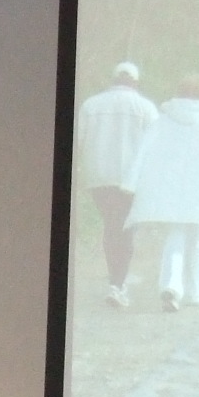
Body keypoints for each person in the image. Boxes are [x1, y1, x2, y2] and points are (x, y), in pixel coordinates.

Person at [124, 74, 199, 310]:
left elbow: (142, 153)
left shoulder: (162, 122)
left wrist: (130, 184)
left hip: (170, 191)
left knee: (176, 234)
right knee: (198, 237)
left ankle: (171, 285)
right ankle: (198, 291)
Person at [76, 61, 157, 306]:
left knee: (112, 225)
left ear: (113, 79)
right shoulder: (146, 107)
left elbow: (78, 141)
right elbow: (155, 147)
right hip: (131, 179)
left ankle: (116, 281)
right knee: (125, 229)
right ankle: (118, 285)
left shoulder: (90, 105)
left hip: (98, 178)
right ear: (136, 82)